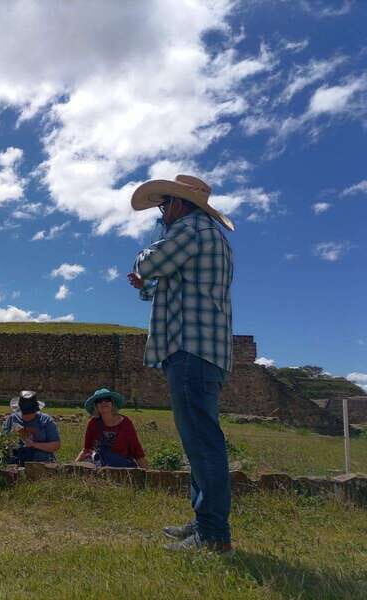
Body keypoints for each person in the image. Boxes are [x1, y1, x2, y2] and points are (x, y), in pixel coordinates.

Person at [129, 174, 235, 554]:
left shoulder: (189, 229)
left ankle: (212, 535)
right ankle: (205, 522)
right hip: (203, 349)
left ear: (179, 205)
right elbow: (166, 280)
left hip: (190, 349)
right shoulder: (209, 235)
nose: (162, 213)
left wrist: (143, 263)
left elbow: (152, 261)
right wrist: (147, 284)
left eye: (164, 205)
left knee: (202, 442)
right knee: (198, 440)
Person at [75, 388, 148, 469]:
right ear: (96, 406)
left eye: (107, 400)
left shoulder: (126, 423)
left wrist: (148, 473)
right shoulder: (93, 424)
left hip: (122, 467)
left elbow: (137, 451)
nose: (103, 403)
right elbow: (87, 449)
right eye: (99, 401)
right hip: (99, 465)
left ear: (112, 403)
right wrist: (73, 466)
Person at [1, 391, 61, 464]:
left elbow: (56, 445)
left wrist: (34, 444)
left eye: (30, 414)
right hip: (16, 460)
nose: (27, 417)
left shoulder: (46, 420)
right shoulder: (12, 419)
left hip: (41, 461)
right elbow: (1, 441)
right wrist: (11, 440)